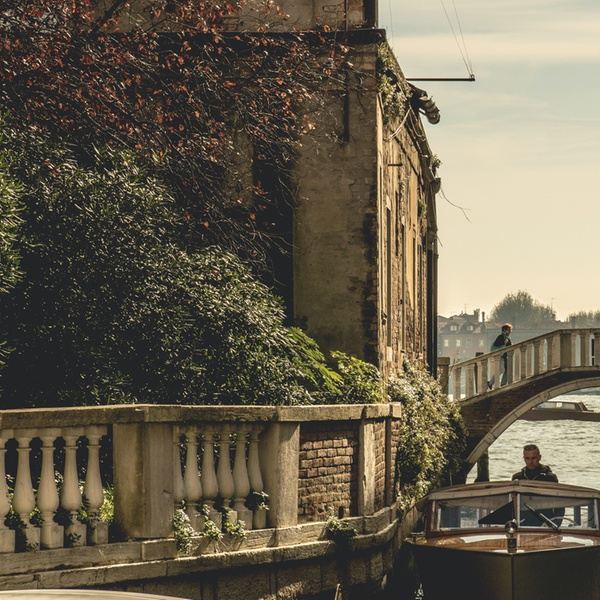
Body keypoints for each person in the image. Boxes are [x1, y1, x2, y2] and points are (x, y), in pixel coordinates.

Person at [487, 323, 512, 389]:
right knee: (501, 369)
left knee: (507, 369)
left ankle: (503, 383)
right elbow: (497, 344)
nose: (510, 332)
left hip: (505, 356)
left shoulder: (507, 337)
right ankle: (490, 383)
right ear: (505, 330)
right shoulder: (501, 336)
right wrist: (504, 343)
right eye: (509, 330)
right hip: (501, 356)